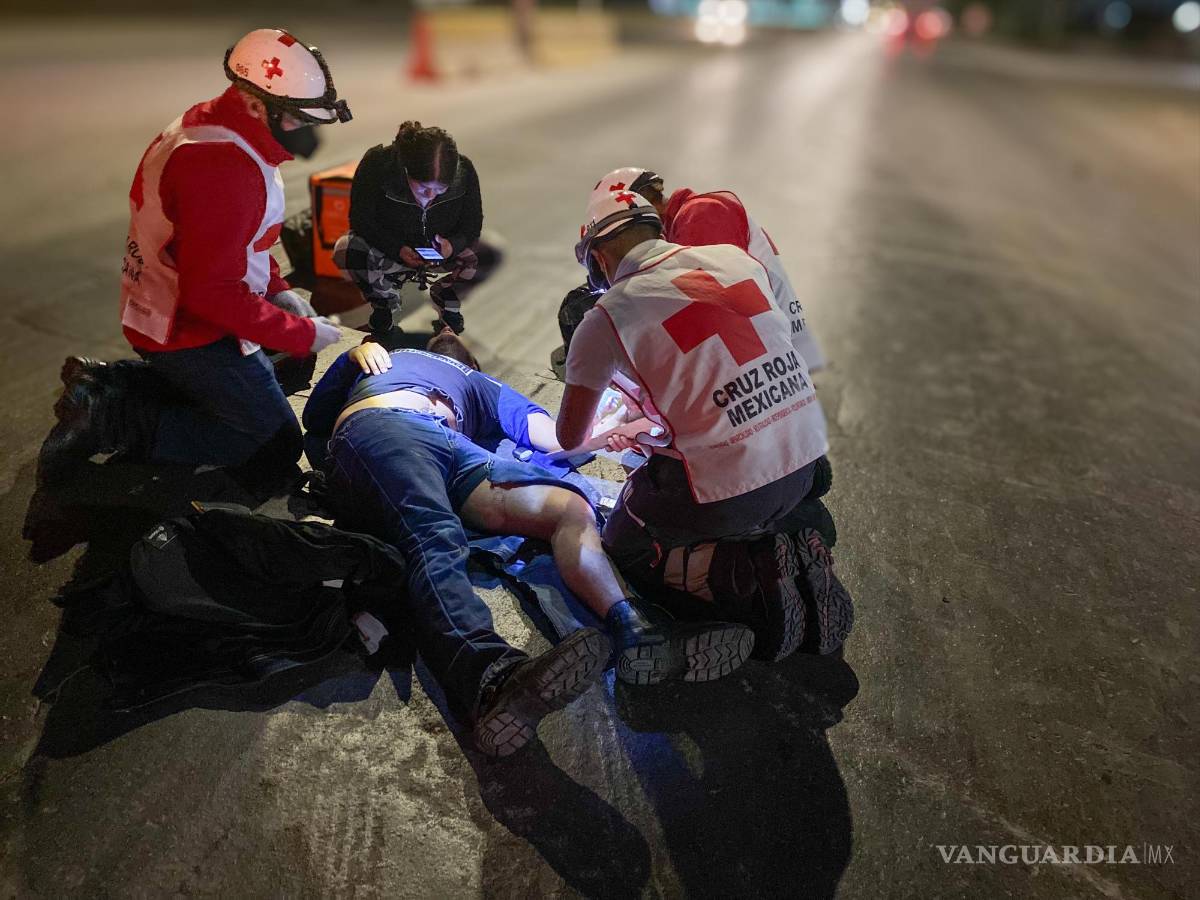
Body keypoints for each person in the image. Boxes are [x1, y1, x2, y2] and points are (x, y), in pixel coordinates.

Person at [302, 331, 754, 757]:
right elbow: (319, 424)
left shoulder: (469, 383)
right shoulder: (404, 361)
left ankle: (634, 630)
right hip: (384, 426)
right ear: (471, 362)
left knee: (566, 508)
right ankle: (491, 680)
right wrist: (350, 362)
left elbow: (558, 439)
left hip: (445, 445)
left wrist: (620, 423)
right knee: (435, 537)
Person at [40, 28, 350, 484]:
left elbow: (248, 244)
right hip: (182, 326)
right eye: (297, 119)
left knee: (291, 352)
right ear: (257, 104)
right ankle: (111, 418)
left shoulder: (220, 125)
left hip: (169, 300)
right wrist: (298, 332)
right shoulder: (226, 168)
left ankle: (110, 386)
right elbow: (212, 292)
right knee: (273, 445)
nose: (305, 134)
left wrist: (280, 298)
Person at [557, 188, 853, 661]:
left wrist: (626, 414)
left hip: (734, 492)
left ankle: (747, 576)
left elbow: (569, 438)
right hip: (804, 466)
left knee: (620, 546)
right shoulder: (734, 261)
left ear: (597, 257)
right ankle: (779, 544)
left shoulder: (608, 315)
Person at [557, 167, 824, 373]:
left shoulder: (699, 214)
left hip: (764, 362)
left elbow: (705, 316)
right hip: (767, 358)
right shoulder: (687, 222)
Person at [334, 122, 483, 338]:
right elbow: (360, 220)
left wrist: (452, 246)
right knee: (346, 248)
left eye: (441, 189)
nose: (431, 196)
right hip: (392, 252)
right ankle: (385, 302)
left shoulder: (465, 171)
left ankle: (447, 298)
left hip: (439, 254)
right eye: (423, 188)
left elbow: (473, 224)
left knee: (486, 251)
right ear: (406, 171)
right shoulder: (377, 165)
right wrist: (397, 249)